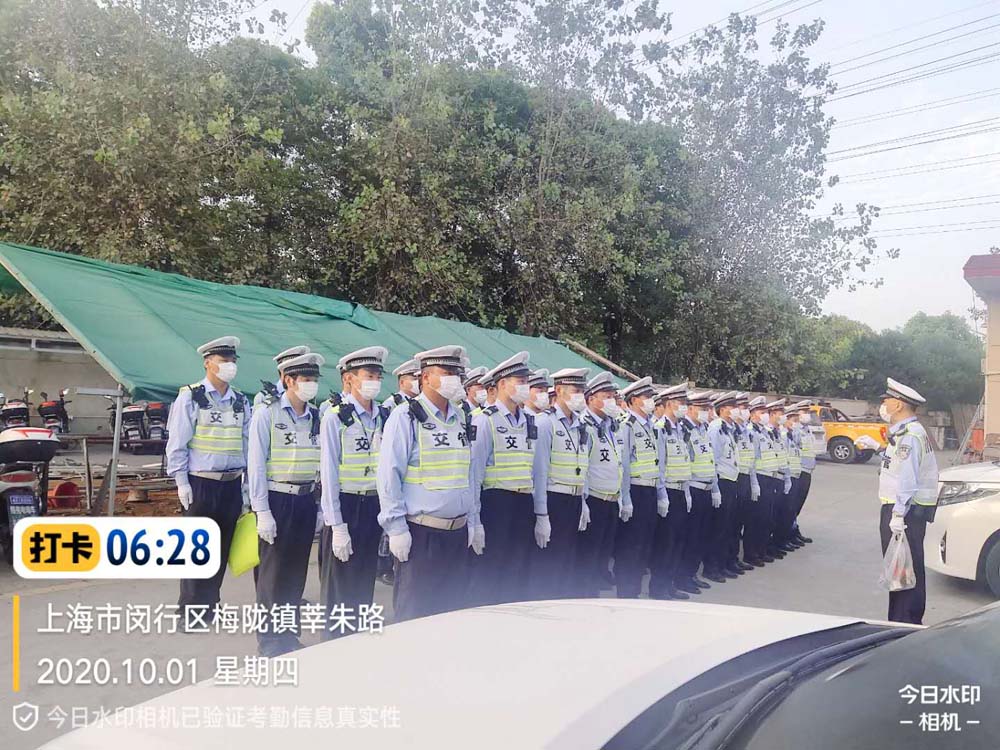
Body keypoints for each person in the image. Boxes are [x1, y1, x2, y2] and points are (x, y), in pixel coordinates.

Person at [376, 345, 477, 622]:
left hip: (457, 532)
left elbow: (467, 473)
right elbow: (389, 475)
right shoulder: (405, 416)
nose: (454, 378)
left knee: (451, 614)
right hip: (422, 535)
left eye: (457, 373)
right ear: (426, 377)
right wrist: (396, 528)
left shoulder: (461, 417)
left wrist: (472, 520)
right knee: (416, 615)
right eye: (447, 372)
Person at [166, 336, 250, 625]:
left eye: (233, 361)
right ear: (208, 363)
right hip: (201, 483)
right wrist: (181, 481)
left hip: (231, 483)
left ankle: (210, 605)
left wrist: (247, 485)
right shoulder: (191, 396)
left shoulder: (240, 400)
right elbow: (178, 442)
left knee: (221, 549)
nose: (230, 366)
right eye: (224, 361)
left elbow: (246, 443)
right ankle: (190, 611)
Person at [248, 351, 324, 656]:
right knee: (273, 575)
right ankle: (269, 641)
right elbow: (256, 465)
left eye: (314, 379)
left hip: (305, 499)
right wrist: (261, 510)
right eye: (305, 379)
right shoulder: (267, 414)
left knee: (295, 573)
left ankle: (289, 635)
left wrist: (319, 506)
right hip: (277, 499)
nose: (311, 385)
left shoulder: (317, 416)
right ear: (288, 380)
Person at [318, 347, 390, 640]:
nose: (375, 381)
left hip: (373, 503)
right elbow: (328, 473)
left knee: (364, 577)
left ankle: (358, 639)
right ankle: (334, 643)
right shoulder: (335, 417)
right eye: (369, 375)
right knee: (340, 582)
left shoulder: (384, 416)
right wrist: (336, 524)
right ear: (349, 379)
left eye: (378, 376)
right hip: (346, 504)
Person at [863, 378, 939, 625]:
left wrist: (897, 514)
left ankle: (906, 621)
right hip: (905, 509)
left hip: (904, 512)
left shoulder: (909, 435)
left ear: (898, 405)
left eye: (886, 401)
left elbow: (907, 477)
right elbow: (897, 464)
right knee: (899, 568)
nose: (883, 406)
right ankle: (899, 618)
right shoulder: (907, 432)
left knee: (905, 568)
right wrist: (878, 447)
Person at [469, 352, 541, 604]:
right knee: (491, 574)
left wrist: (540, 513)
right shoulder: (485, 420)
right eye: (519, 381)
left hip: (523, 503)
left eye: (526, 382)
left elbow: (533, 468)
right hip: (496, 504)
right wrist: (474, 520)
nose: (525, 387)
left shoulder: (529, 421)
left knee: (519, 571)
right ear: (501, 384)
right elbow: (474, 474)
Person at [529, 367, 591, 599]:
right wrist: (541, 514)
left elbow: (582, 466)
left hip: (574, 499)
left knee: (567, 561)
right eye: (576, 390)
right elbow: (540, 471)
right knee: (549, 564)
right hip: (554, 499)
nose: (580, 396)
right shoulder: (546, 423)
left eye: (582, 391)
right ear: (560, 391)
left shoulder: (579, 424)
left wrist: (583, 501)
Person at [614, 376, 668, 598]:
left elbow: (659, 463)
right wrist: (625, 498)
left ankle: (635, 591)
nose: (650, 401)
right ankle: (626, 593)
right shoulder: (626, 425)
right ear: (634, 400)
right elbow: (624, 464)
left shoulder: (653, 427)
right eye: (646, 397)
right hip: (635, 490)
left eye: (651, 397)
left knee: (645, 544)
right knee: (630, 546)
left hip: (650, 491)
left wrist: (661, 493)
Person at [574, 372, 626, 597]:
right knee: (589, 554)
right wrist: (583, 501)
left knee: (603, 552)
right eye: (606, 396)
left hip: (611, 498)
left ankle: (593, 590)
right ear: (591, 399)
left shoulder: (610, 426)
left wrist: (621, 496)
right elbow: (582, 465)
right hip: (594, 499)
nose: (611, 401)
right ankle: (585, 595)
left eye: (613, 396)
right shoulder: (584, 426)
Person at [649, 383, 692, 599]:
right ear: (667, 404)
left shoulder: (681, 429)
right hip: (669, 492)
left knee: (678, 541)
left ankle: (669, 584)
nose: (683, 406)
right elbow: (660, 465)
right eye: (679, 402)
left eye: (684, 402)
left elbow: (684, 462)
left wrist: (687, 492)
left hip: (681, 491)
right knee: (665, 543)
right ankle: (658, 588)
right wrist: (662, 495)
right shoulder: (659, 429)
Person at [679, 391, 720, 589]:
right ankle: (682, 577)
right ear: (690, 409)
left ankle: (692, 574)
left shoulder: (703, 429)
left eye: (707, 408)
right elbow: (683, 462)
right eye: (702, 408)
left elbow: (710, 460)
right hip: (692, 488)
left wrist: (714, 487)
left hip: (706, 488)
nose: (705, 412)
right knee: (690, 536)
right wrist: (686, 491)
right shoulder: (684, 430)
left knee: (701, 535)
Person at [706, 392, 743, 581]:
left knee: (728, 527)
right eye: (731, 407)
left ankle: (723, 564)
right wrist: (715, 488)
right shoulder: (716, 428)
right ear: (722, 410)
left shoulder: (730, 428)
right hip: (722, 481)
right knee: (719, 528)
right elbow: (712, 459)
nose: (735, 410)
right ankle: (712, 568)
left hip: (732, 480)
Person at [730, 393, 758, 573]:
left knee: (739, 521)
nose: (745, 411)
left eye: (747, 408)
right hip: (734, 478)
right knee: (731, 524)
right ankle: (724, 561)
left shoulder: (745, 431)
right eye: (742, 408)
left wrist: (753, 482)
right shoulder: (728, 430)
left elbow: (751, 458)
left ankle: (732, 559)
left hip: (745, 477)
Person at [790, 401, 816, 545]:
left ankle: (794, 530)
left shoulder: (807, 429)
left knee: (798, 505)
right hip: (798, 471)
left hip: (807, 470)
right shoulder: (795, 430)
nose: (807, 414)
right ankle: (790, 532)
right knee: (792, 505)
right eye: (804, 412)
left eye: (808, 412)